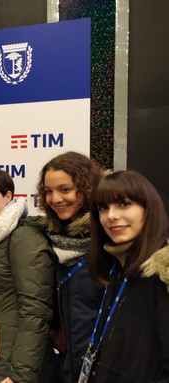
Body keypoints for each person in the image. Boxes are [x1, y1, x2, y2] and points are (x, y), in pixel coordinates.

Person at [0, 168, 54, 383]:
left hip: (10, 365)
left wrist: (20, 375)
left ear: (8, 196)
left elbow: (36, 311)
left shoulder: (23, 237)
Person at [86, 170, 169, 382]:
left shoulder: (162, 274)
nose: (111, 216)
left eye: (124, 204)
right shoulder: (116, 266)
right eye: (103, 208)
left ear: (148, 209)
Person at [35, 151, 104, 383]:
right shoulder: (45, 236)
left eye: (65, 190)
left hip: (103, 365)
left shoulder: (109, 240)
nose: (55, 199)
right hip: (64, 363)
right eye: (48, 191)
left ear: (87, 188)